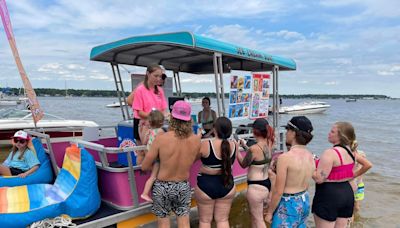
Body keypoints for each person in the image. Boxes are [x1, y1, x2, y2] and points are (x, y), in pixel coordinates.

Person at [141, 100, 201, 228]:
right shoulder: (196, 140)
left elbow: (144, 166)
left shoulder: (161, 138)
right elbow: (193, 159)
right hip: (182, 185)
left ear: (172, 117)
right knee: (184, 222)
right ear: (189, 119)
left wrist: (159, 161)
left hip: (162, 186)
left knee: (163, 223)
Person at [312, 122, 372, 228]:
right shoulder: (351, 152)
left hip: (329, 195)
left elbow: (319, 179)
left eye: (332, 131)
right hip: (346, 194)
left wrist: (311, 166)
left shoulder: (330, 153)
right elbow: (367, 165)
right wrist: (353, 175)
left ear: (341, 136)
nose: (329, 133)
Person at [265, 116, 315, 227]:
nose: (286, 133)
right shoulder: (310, 155)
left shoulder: (285, 158)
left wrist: (269, 212)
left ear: (294, 133)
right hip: (304, 200)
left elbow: (278, 191)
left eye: (288, 130)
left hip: (288, 204)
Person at [194, 116, 238, 228]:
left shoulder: (206, 144)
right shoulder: (234, 145)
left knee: (205, 221)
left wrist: (196, 139)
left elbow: (191, 159)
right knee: (223, 220)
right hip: (227, 184)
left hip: (206, 186)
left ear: (215, 129)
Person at [236, 118, 274, 228]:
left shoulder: (254, 148)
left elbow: (244, 164)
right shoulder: (269, 143)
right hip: (266, 184)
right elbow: (257, 157)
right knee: (255, 217)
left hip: (256, 187)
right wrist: (245, 146)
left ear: (254, 131)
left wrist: (237, 150)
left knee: (258, 220)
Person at [132, 65, 168, 164]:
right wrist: (154, 117)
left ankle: (154, 176)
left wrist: (167, 116)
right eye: (155, 76)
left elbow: (164, 109)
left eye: (160, 76)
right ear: (148, 74)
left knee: (156, 152)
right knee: (142, 152)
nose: (158, 79)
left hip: (156, 124)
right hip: (142, 123)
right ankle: (140, 175)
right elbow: (139, 112)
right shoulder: (140, 90)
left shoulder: (160, 90)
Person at [140, 110, 165, 202]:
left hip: (149, 155)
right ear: (161, 121)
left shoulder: (149, 131)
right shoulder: (161, 131)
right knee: (154, 176)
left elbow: (144, 142)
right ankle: (145, 193)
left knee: (154, 176)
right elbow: (163, 143)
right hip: (157, 156)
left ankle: (149, 193)